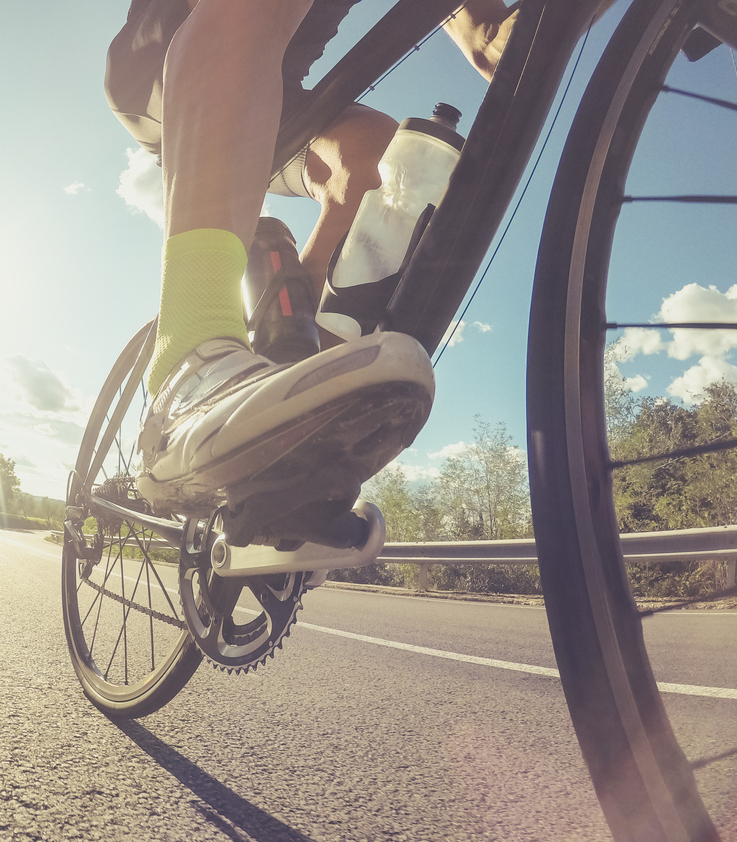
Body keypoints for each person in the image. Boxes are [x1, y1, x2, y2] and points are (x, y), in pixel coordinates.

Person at [105, 0, 518, 518]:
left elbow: (489, 43)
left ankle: (288, 443)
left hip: (273, 89)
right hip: (171, 57)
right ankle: (191, 354)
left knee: (379, 162)